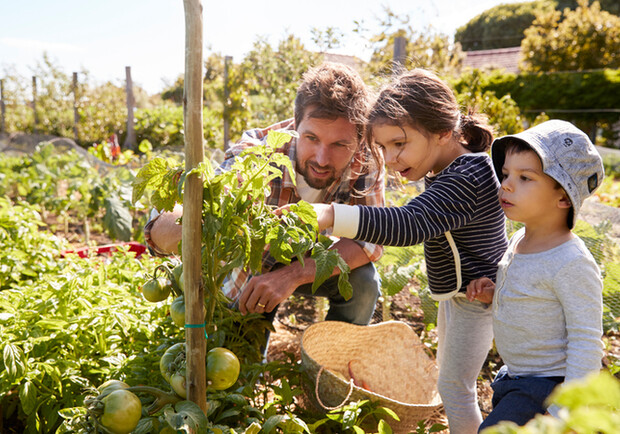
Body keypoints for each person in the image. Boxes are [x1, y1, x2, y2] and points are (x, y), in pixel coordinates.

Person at [300, 68, 508, 434]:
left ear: (444, 132)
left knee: (455, 389)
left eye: (399, 143)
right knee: (453, 380)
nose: (391, 158)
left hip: (477, 298)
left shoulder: (468, 176)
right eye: (382, 147)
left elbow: (409, 223)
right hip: (461, 296)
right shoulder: (448, 168)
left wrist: (331, 215)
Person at [145, 62, 385, 332]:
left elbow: (370, 240)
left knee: (364, 283)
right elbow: (197, 210)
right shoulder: (258, 153)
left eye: (340, 145)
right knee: (240, 357)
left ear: (359, 138)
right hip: (253, 269)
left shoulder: (367, 159)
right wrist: (178, 223)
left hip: (313, 258)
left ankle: (330, 365)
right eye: (312, 138)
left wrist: (293, 275)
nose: (321, 158)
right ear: (295, 124)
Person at [466, 119, 605, 430]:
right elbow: (532, 295)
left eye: (525, 177)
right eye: (506, 174)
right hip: (515, 378)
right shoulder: (520, 239)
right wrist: (495, 292)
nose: (507, 185)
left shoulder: (571, 262)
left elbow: (586, 343)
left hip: (547, 388)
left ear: (564, 198)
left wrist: (561, 413)